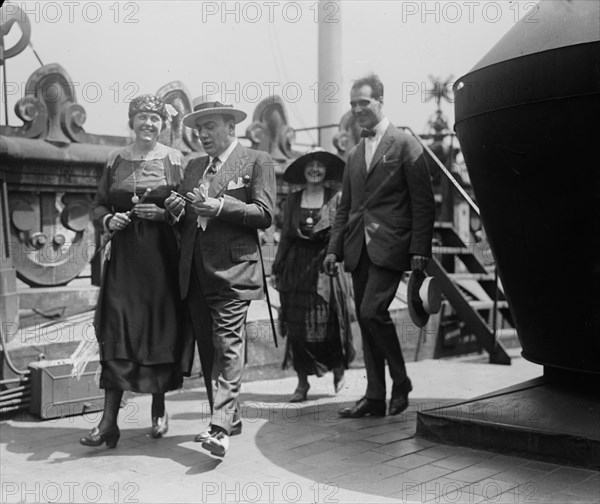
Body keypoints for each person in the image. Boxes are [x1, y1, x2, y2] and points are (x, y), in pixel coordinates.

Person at [164, 97, 276, 457]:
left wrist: (222, 206)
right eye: (199, 129)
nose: (203, 135)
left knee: (227, 343)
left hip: (233, 272)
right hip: (194, 272)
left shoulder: (257, 160)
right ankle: (230, 417)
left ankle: (220, 427)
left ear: (232, 128)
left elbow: (264, 213)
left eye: (210, 127)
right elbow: (188, 218)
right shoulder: (195, 166)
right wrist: (176, 209)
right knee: (209, 348)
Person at [324, 74, 435, 418]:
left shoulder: (405, 143)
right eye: (353, 103)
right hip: (357, 249)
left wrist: (420, 248)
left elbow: (423, 202)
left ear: (381, 101)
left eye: (364, 102)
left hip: (392, 245)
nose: (358, 109)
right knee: (365, 316)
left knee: (371, 312)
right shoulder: (355, 153)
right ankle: (374, 396)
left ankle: (400, 381)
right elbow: (346, 208)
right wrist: (333, 249)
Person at [81, 94, 185, 449]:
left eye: (155, 119)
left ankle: (159, 406)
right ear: (132, 121)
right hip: (123, 260)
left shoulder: (175, 160)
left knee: (157, 328)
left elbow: (186, 208)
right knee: (116, 328)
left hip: (160, 261)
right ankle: (109, 422)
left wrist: (168, 214)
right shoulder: (115, 159)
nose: (148, 124)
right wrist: (110, 218)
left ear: (163, 124)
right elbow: (97, 205)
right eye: (142, 117)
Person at [271, 149, 355, 402]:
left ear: (326, 171)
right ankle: (302, 383)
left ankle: (338, 370)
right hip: (297, 266)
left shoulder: (336, 197)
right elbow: (285, 236)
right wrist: (277, 267)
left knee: (328, 323)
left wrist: (338, 257)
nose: (315, 170)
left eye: (320, 166)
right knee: (297, 327)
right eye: (310, 166)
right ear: (303, 171)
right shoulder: (293, 200)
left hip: (326, 266)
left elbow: (343, 232)